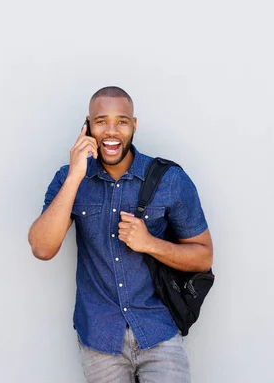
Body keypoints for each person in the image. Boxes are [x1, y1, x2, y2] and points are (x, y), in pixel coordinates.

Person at [28, 86, 213, 383]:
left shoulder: (170, 180)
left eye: (122, 121)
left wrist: (150, 244)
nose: (111, 131)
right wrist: (77, 174)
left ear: (134, 125)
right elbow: (42, 247)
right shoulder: (69, 178)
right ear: (87, 126)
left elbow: (203, 257)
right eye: (101, 121)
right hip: (100, 337)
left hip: (158, 332)